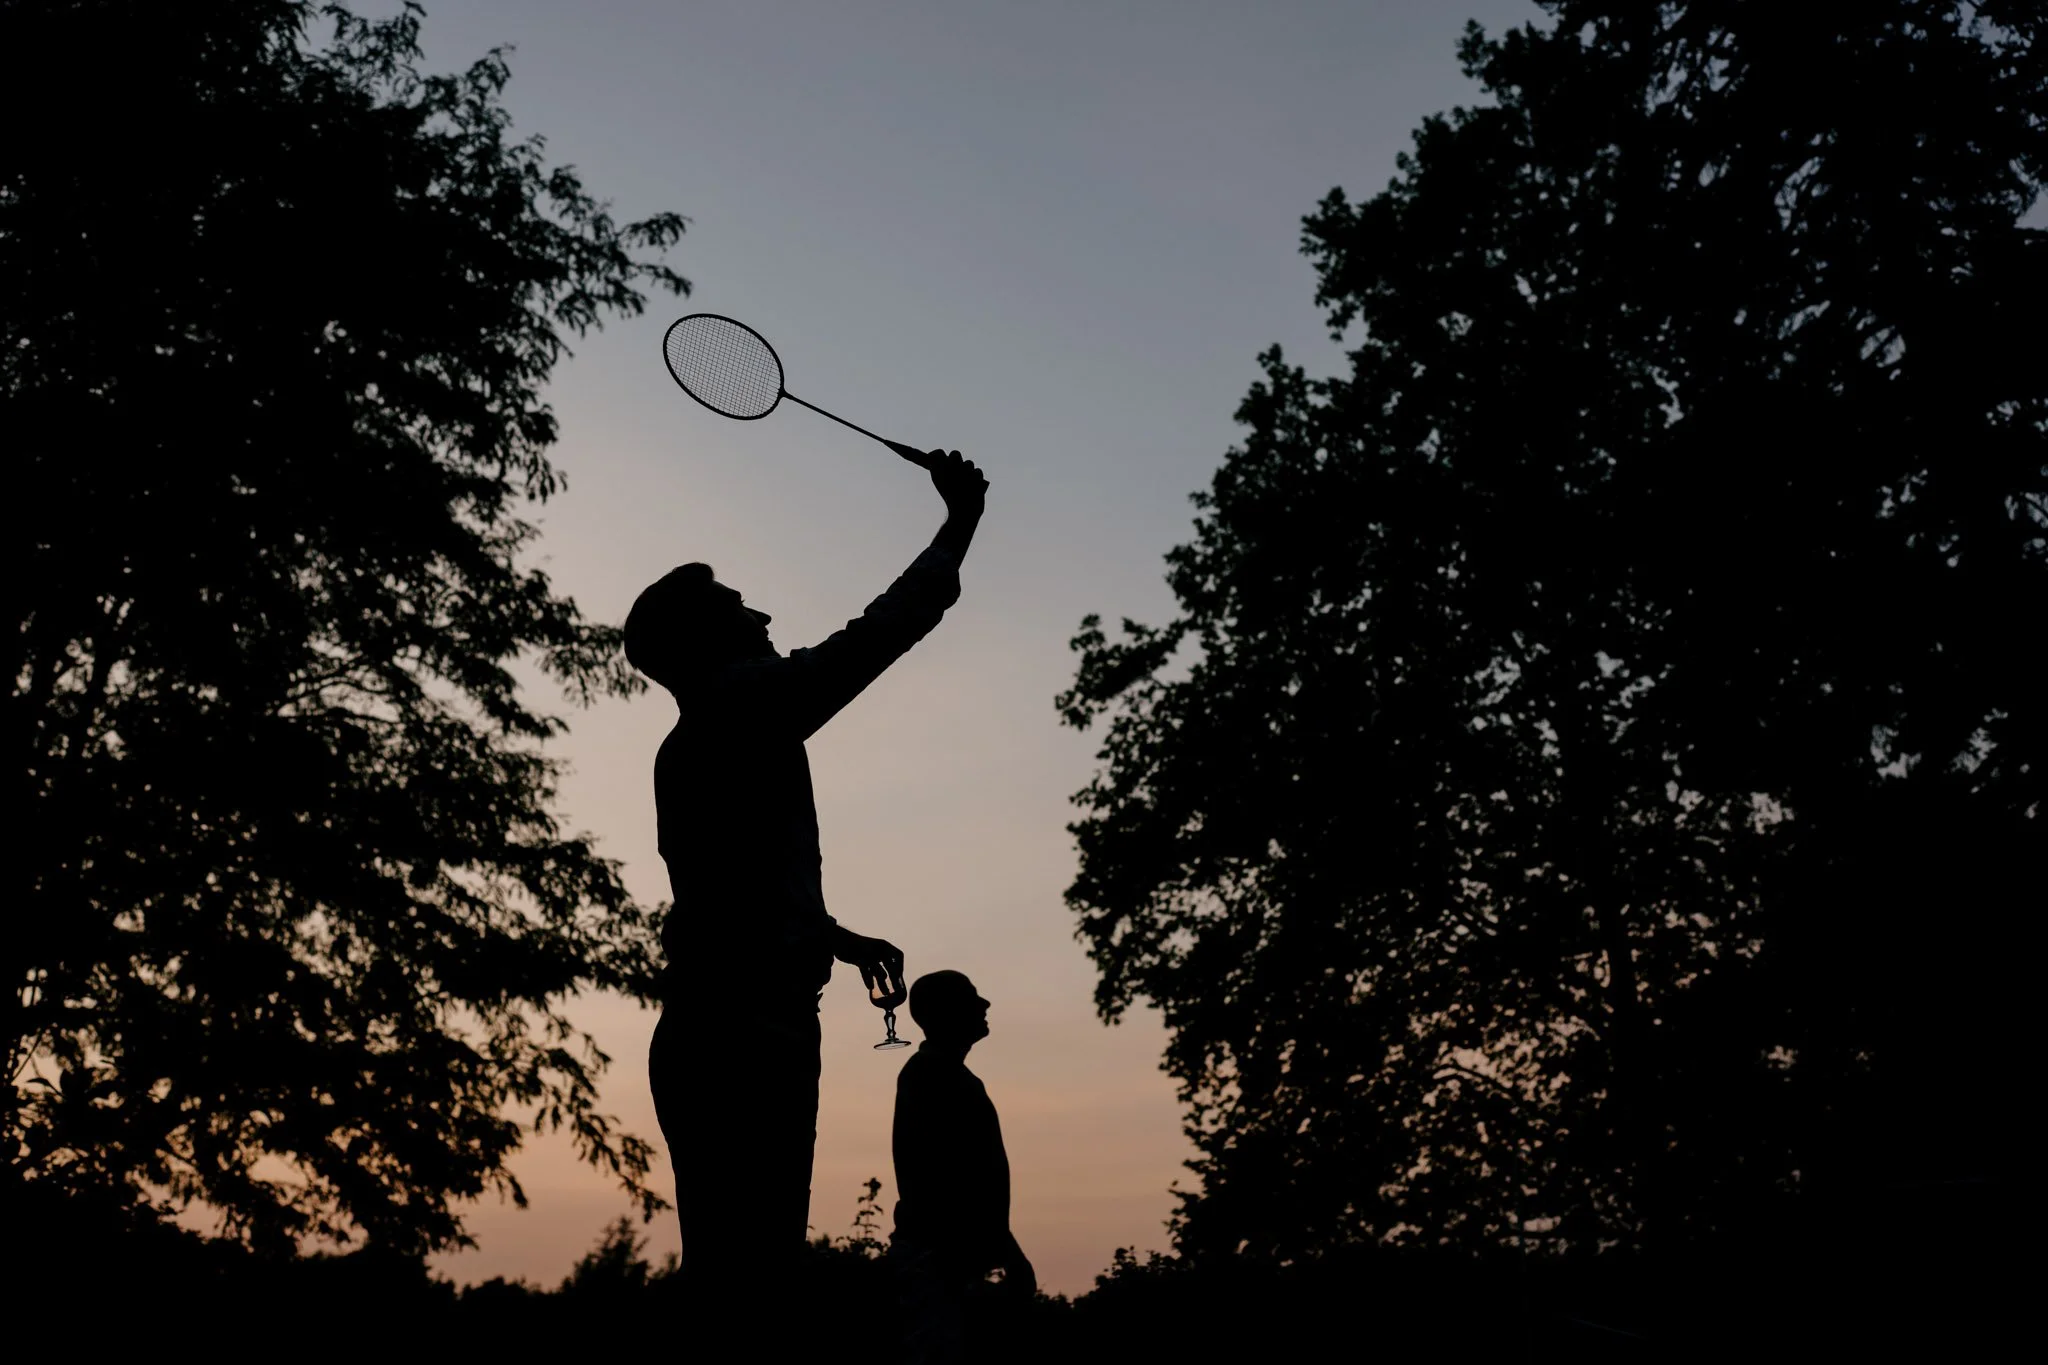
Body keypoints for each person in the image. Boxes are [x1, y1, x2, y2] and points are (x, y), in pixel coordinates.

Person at [623, 449, 989, 1315]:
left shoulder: (699, 743)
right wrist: (959, 523)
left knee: (740, 1272)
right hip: (743, 1031)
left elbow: (735, 892)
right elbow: (875, 636)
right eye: (736, 606)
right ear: (704, 641)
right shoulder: (741, 712)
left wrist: (835, 936)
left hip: (735, 1021)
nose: (762, 613)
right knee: (748, 1284)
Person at [890, 970, 1036, 1363]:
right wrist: (1008, 1251)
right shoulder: (932, 1077)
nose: (984, 1005)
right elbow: (952, 1178)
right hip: (935, 1260)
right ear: (946, 1012)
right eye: (972, 997)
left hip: (943, 1260)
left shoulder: (945, 1076)